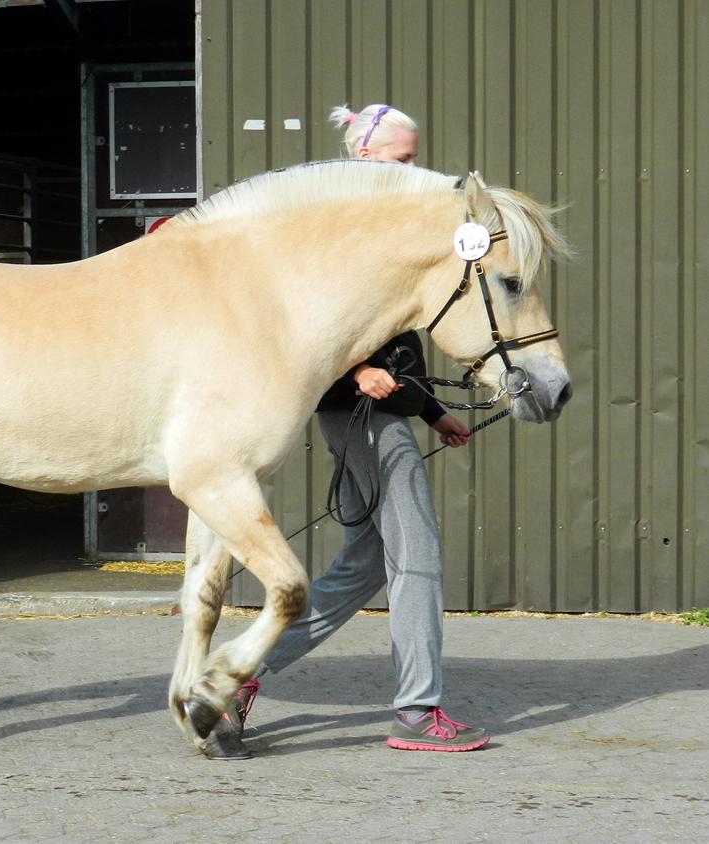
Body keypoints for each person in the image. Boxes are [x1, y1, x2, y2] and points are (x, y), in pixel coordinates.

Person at [234, 104, 489, 752]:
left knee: (364, 564)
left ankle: (238, 671)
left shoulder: (379, 226)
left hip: (380, 414)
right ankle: (416, 711)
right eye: (402, 158)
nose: (414, 168)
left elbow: (398, 336)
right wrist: (353, 373)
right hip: (365, 418)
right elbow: (301, 319)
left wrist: (433, 411)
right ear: (365, 155)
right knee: (418, 558)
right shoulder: (335, 228)